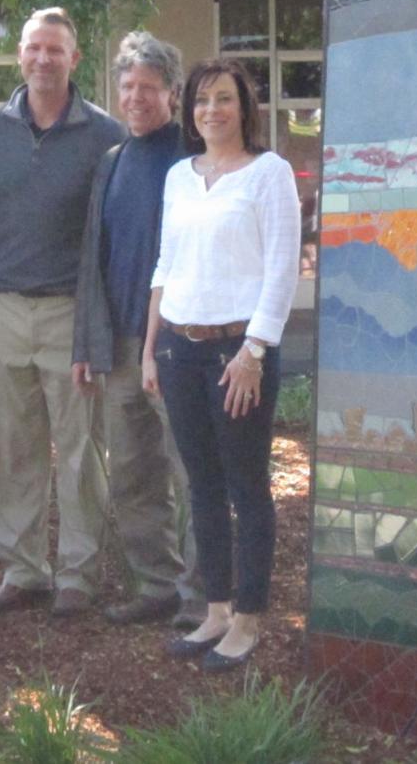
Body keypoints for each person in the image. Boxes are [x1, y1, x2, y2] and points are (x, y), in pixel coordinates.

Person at [142, 58, 300, 671]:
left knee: (246, 486)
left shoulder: (269, 173)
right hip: (180, 348)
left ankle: (250, 618)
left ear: (245, 107)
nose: (213, 110)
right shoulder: (180, 176)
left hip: (239, 356)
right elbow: (164, 266)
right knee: (201, 487)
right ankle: (215, 610)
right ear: (190, 111)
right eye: (203, 100)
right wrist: (151, 348)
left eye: (225, 99)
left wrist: (254, 352)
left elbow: (282, 270)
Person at [0, 7, 124, 619]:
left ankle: (79, 574)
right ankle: (22, 569)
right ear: (19, 55)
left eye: (55, 50)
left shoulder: (104, 134)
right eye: (33, 47)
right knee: (13, 447)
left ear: (74, 59)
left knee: (81, 449)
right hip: (3, 305)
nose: (42, 59)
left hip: (70, 312)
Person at [72, 31, 203, 629]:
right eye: (127, 86)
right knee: (133, 478)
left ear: (172, 94)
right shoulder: (112, 163)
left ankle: (205, 595)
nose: (135, 97)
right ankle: (155, 587)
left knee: (195, 473)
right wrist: (87, 346)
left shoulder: (195, 159)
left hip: (183, 347)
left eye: (148, 87)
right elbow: (92, 262)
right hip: (122, 349)